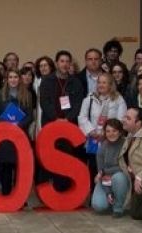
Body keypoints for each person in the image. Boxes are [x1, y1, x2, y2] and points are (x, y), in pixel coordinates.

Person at [39, 50, 84, 191]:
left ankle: (64, 188)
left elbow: (78, 104)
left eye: (67, 61)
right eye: (62, 61)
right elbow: (44, 102)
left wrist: (67, 119)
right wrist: (56, 119)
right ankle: (51, 189)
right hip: (51, 125)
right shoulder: (47, 81)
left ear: (70, 64)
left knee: (67, 156)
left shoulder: (75, 82)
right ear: (57, 63)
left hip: (69, 127)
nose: (65, 64)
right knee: (51, 157)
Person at [78, 73, 127, 190]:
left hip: (111, 140)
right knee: (94, 167)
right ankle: (95, 194)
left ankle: (111, 193)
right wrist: (91, 131)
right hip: (93, 140)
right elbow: (82, 117)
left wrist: (106, 134)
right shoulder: (89, 98)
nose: (101, 85)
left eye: (104, 82)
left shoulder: (119, 100)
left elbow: (121, 120)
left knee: (110, 167)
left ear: (111, 85)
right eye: (99, 82)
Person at [0, 70, 33, 195]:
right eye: (10, 77)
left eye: (15, 77)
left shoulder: (27, 95)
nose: (13, 80)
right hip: (5, 137)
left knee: (20, 167)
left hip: (21, 135)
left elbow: (30, 116)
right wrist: (6, 125)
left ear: (19, 79)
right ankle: (6, 193)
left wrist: (18, 125)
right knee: (6, 166)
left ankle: (20, 195)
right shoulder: (0, 95)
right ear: (6, 80)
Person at [90, 119, 128, 218]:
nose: (111, 134)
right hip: (106, 180)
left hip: (122, 178)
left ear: (120, 132)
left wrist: (103, 172)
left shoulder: (126, 144)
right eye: (108, 131)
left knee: (119, 177)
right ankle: (111, 198)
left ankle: (118, 207)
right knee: (98, 206)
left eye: (114, 131)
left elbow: (123, 167)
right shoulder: (102, 147)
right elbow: (101, 172)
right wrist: (108, 193)